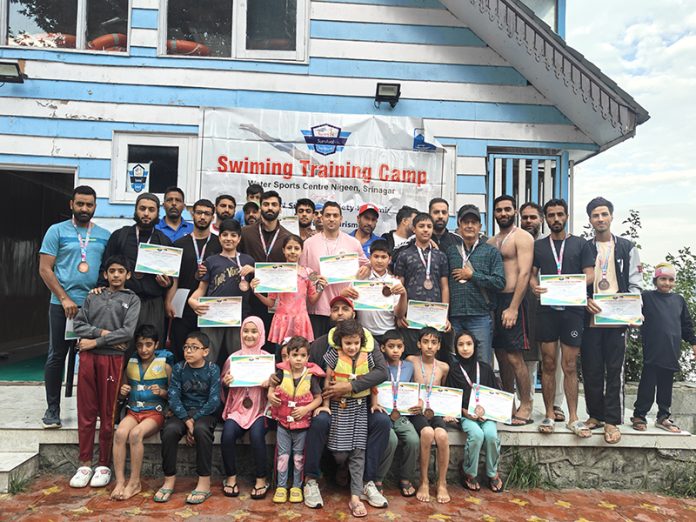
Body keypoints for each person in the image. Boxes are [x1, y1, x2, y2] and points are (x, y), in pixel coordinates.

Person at [304, 296, 390, 510]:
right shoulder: (321, 343)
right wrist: (320, 399)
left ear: (353, 314)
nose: (340, 313)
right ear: (329, 314)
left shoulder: (368, 342)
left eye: (345, 309)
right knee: (320, 421)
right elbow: (311, 374)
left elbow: (381, 372)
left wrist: (351, 386)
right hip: (328, 403)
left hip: (361, 403)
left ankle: (368, 482)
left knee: (381, 421)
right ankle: (311, 480)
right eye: (335, 309)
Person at [39, 185, 110, 429]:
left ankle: (96, 409)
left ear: (95, 207)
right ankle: (52, 409)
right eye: (80, 204)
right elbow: (45, 269)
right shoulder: (56, 231)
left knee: (94, 357)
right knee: (57, 356)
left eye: (89, 205)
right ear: (71, 204)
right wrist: (64, 298)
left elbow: (107, 271)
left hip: (93, 308)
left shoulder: (103, 234)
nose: (84, 209)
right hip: (62, 306)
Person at [70, 255, 141, 489]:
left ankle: (103, 464)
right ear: (105, 274)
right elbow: (78, 325)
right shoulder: (94, 295)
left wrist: (94, 341)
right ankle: (84, 462)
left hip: (112, 360)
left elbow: (127, 332)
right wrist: (101, 336)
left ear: (128, 275)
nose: (116, 275)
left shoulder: (132, 300)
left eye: (121, 271)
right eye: (112, 271)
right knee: (86, 409)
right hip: (89, 359)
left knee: (108, 410)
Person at [530, 199, 595, 437]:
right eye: (551, 215)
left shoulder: (580, 244)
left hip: (572, 310)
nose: (555, 219)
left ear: (566, 216)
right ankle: (548, 413)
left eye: (559, 214)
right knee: (547, 364)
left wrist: (571, 284)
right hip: (546, 310)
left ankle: (574, 418)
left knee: (569, 365)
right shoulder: (539, 246)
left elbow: (590, 274)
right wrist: (534, 287)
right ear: (545, 219)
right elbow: (532, 275)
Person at [582, 197, 642, 444]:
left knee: (615, 370)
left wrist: (634, 310)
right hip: (591, 317)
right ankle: (595, 415)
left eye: (604, 214)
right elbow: (578, 280)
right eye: (595, 215)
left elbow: (636, 284)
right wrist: (584, 300)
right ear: (590, 220)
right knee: (591, 368)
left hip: (617, 318)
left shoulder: (628, 247)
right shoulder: (585, 247)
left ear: (611, 217)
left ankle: (612, 420)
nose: (600, 219)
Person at [155, 331, 220, 505]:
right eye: (186, 347)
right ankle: (169, 479)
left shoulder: (213, 369)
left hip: (205, 413)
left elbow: (214, 401)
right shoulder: (179, 368)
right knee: (169, 430)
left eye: (194, 347)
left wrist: (195, 420)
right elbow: (173, 397)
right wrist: (186, 419)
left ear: (205, 352)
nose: (189, 351)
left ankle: (204, 482)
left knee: (201, 430)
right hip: (183, 412)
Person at [99, 193, 173, 345]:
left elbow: (170, 278)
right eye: (142, 208)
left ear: (158, 213)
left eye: (151, 210)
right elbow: (104, 268)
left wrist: (167, 283)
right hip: (122, 301)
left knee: (150, 350)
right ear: (135, 210)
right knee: (121, 347)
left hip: (152, 303)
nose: (146, 213)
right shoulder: (120, 236)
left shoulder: (164, 241)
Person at [320, 319, 376, 518]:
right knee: (339, 452)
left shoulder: (367, 357)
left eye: (356, 343)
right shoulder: (333, 355)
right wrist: (325, 406)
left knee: (358, 452)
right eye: (348, 343)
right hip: (338, 406)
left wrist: (375, 403)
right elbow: (327, 381)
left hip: (359, 408)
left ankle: (355, 497)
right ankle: (342, 467)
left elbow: (374, 382)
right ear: (340, 342)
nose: (352, 347)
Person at [632, 262, 696, 433]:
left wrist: (693, 343)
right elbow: (633, 313)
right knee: (648, 382)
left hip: (671, 350)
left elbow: (686, 325)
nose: (667, 283)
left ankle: (663, 416)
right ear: (655, 280)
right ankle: (639, 415)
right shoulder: (646, 297)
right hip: (652, 349)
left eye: (670, 280)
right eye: (663, 279)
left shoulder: (679, 300)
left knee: (666, 384)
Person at [111, 324, 173, 500]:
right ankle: (120, 482)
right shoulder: (130, 364)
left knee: (136, 434)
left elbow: (174, 394)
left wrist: (162, 392)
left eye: (148, 344)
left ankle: (134, 482)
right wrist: (123, 390)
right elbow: (124, 388)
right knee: (120, 433)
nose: (143, 349)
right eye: (139, 345)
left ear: (156, 344)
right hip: (133, 411)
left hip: (155, 412)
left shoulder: (166, 366)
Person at [487, 195, 534, 426]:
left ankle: (526, 404)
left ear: (514, 211)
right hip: (495, 302)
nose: (503, 213)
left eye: (507, 209)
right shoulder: (491, 241)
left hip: (513, 300)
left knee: (515, 357)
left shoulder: (522, 237)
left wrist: (514, 307)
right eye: (499, 210)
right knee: (502, 357)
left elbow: (524, 273)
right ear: (494, 212)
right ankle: (508, 402)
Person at [521, 201, 565, 420]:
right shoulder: (518, 241)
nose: (528, 221)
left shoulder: (551, 244)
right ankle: (526, 402)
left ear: (542, 220)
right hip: (526, 305)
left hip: (554, 307)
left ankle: (557, 404)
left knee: (554, 358)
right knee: (528, 357)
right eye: (525, 217)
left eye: (533, 217)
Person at [188, 218, 255, 364]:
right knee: (208, 356)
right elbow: (201, 289)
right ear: (219, 237)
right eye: (225, 235)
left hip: (238, 316)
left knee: (237, 357)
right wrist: (192, 301)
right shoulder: (211, 261)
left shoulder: (248, 260)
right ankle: (208, 385)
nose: (229, 239)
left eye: (233, 235)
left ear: (239, 238)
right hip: (212, 316)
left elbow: (260, 286)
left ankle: (236, 387)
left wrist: (255, 270)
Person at [268, 336, 325, 503]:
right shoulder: (281, 373)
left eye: (302, 355)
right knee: (283, 457)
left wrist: (306, 408)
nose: (298, 359)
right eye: (294, 355)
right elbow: (271, 388)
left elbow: (318, 398)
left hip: (302, 426)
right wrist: (271, 395)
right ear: (288, 356)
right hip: (283, 424)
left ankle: (296, 487)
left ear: (307, 357)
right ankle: (281, 486)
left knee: (299, 457)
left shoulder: (310, 376)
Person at [220, 316, 272, 500]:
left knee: (257, 435)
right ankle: (231, 477)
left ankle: (261, 478)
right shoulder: (233, 358)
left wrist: (270, 385)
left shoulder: (266, 359)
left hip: (259, 409)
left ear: (261, 333)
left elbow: (276, 390)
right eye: (246, 331)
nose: (249, 335)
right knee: (227, 434)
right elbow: (222, 384)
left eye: (254, 331)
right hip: (237, 409)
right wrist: (225, 383)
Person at [300, 201, 370, 339]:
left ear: (341, 219)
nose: (331, 219)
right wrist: (316, 278)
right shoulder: (309, 243)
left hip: (343, 309)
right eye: (328, 215)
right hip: (318, 308)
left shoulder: (353, 242)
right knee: (318, 349)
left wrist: (365, 269)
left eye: (335, 215)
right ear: (321, 218)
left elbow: (366, 265)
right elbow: (303, 273)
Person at [446, 204, 505, 367]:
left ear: (480, 226)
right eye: (466, 222)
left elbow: (500, 282)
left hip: (480, 316)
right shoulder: (451, 251)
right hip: (455, 316)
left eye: (474, 222)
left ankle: (480, 393)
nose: (470, 226)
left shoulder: (491, 252)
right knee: (455, 363)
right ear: (459, 225)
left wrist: (473, 276)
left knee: (482, 363)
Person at [166, 198, 221, 361]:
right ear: (192, 214)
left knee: (207, 347)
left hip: (209, 303)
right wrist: (168, 301)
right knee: (181, 345)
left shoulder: (219, 244)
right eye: (199, 213)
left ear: (213, 217)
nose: (202, 217)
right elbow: (174, 277)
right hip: (182, 299)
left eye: (207, 213)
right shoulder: (179, 244)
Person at [447, 330, 502, 493]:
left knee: (491, 435)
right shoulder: (454, 370)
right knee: (477, 435)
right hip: (466, 416)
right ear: (456, 348)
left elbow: (494, 395)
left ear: (475, 346)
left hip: (486, 416)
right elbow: (451, 398)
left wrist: (488, 412)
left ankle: (492, 473)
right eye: (461, 344)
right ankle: (469, 472)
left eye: (469, 344)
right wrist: (464, 412)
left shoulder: (485, 368)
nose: (465, 348)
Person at [239, 190, 292, 347]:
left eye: (274, 205)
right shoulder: (245, 233)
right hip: (250, 296)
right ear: (260, 207)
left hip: (276, 300)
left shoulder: (287, 236)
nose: (270, 208)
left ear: (280, 208)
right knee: (250, 340)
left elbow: (289, 269)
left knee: (272, 341)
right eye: (266, 204)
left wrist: (256, 270)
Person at [393, 212, 451, 356]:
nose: (425, 230)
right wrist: (399, 316)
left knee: (432, 355)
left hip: (435, 316)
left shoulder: (441, 256)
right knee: (411, 356)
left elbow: (444, 287)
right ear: (414, 229)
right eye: (421, 226)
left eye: (429, 226)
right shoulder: (404, 255)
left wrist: (445, 315)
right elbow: (399, 287)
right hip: (411, 316)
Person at [252, 234, 327, 344]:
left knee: (300, 352)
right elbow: (270, 303)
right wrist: (256, 292)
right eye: (289, 248)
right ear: (283, 250)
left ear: (301, 251)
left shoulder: (309, 272)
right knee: (281, 352)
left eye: (296, 248)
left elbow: (312, 300)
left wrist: (321, 287)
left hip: (301, 319)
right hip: (282, 320)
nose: (292, 251)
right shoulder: (276, 272)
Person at [371, 330, 419, 498]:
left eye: (399, 346)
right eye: (391, 347)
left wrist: (418, 402)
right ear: (382, 348)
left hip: (402, 414)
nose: (395, 350)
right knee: (391, 439)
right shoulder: (377, 366)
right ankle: (378, 479)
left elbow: (414, 388)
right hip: (383, 414)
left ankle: (406, 478)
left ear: (404, 347)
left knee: (413, 439)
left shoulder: (409, 367)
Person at [406, 327, 451, 504]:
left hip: (435, 410)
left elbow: (445, 391)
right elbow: (404, 384)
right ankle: (423, 481)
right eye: (425, 342)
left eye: (433, 342)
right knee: (427, 433)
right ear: (419, 344)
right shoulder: (411, 361)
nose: (429, 346)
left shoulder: (444, 367)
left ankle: (442, 482)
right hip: (417, 411)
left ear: (439, 345)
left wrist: (449, 411)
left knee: (442, 435)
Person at [340, 239, 407, 345]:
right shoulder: (359, 280)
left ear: (389, 259)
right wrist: (343, 295)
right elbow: (347, 308)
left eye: (383, 257)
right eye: (376, 256)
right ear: (370, 258)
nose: (379, 261)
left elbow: (399, 314)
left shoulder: (394, 282)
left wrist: (403, 294)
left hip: (388, 333)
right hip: (363, 333)